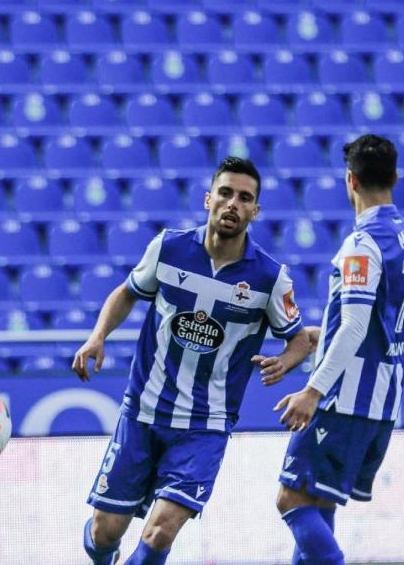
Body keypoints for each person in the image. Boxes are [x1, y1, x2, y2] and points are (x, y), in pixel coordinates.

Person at [73, 156, 312, 565]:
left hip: (205, 425)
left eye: (244, 198)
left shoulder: (270, 278)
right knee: (103, 530)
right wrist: (98, 337)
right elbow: (128, 291)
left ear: (256, 210)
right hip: (143, 412)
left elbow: (300, 340)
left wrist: (285, 362)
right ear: (208, 200)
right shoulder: (168, 248)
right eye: (225, 193)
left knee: (161, 529)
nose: (233, 204)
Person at [273, 134, 404, 565]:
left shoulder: (362, 245)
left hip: (346, 399)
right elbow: (377, 325)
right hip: (384, 397)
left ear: (350, 181)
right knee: (318, 502)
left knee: (291, 499)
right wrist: (317, 336)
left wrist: (313, 391)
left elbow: (357, 326)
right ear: (395, 177)